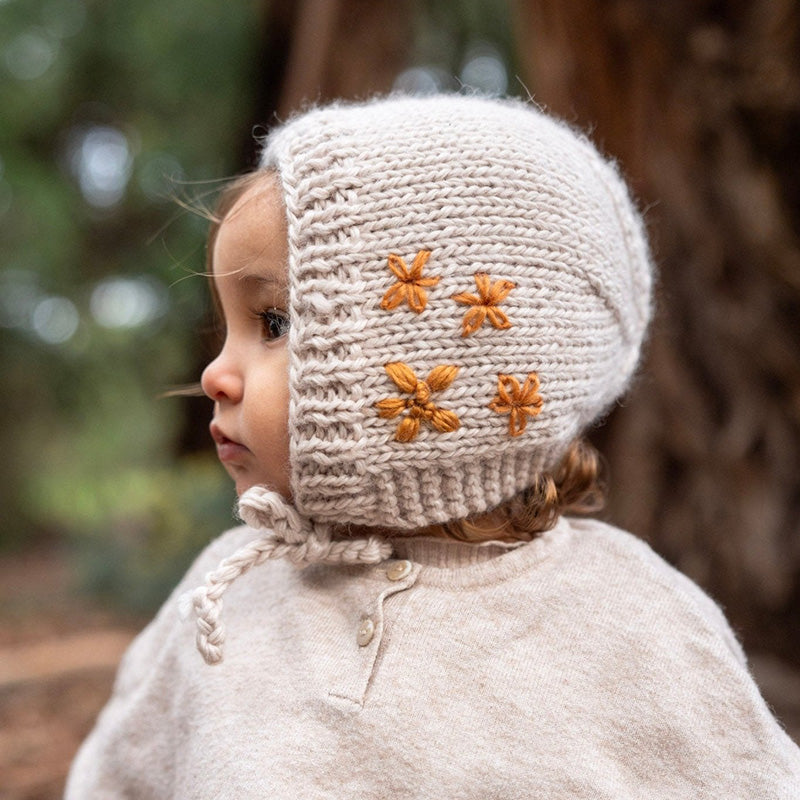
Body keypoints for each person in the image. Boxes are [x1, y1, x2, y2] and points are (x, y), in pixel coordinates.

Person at [65, 94, 800, 798]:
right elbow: (118, 780)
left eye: (274, 323)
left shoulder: (636, 625)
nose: (214, 375)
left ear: (440, 355)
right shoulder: (225, 598)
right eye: (226, 327)